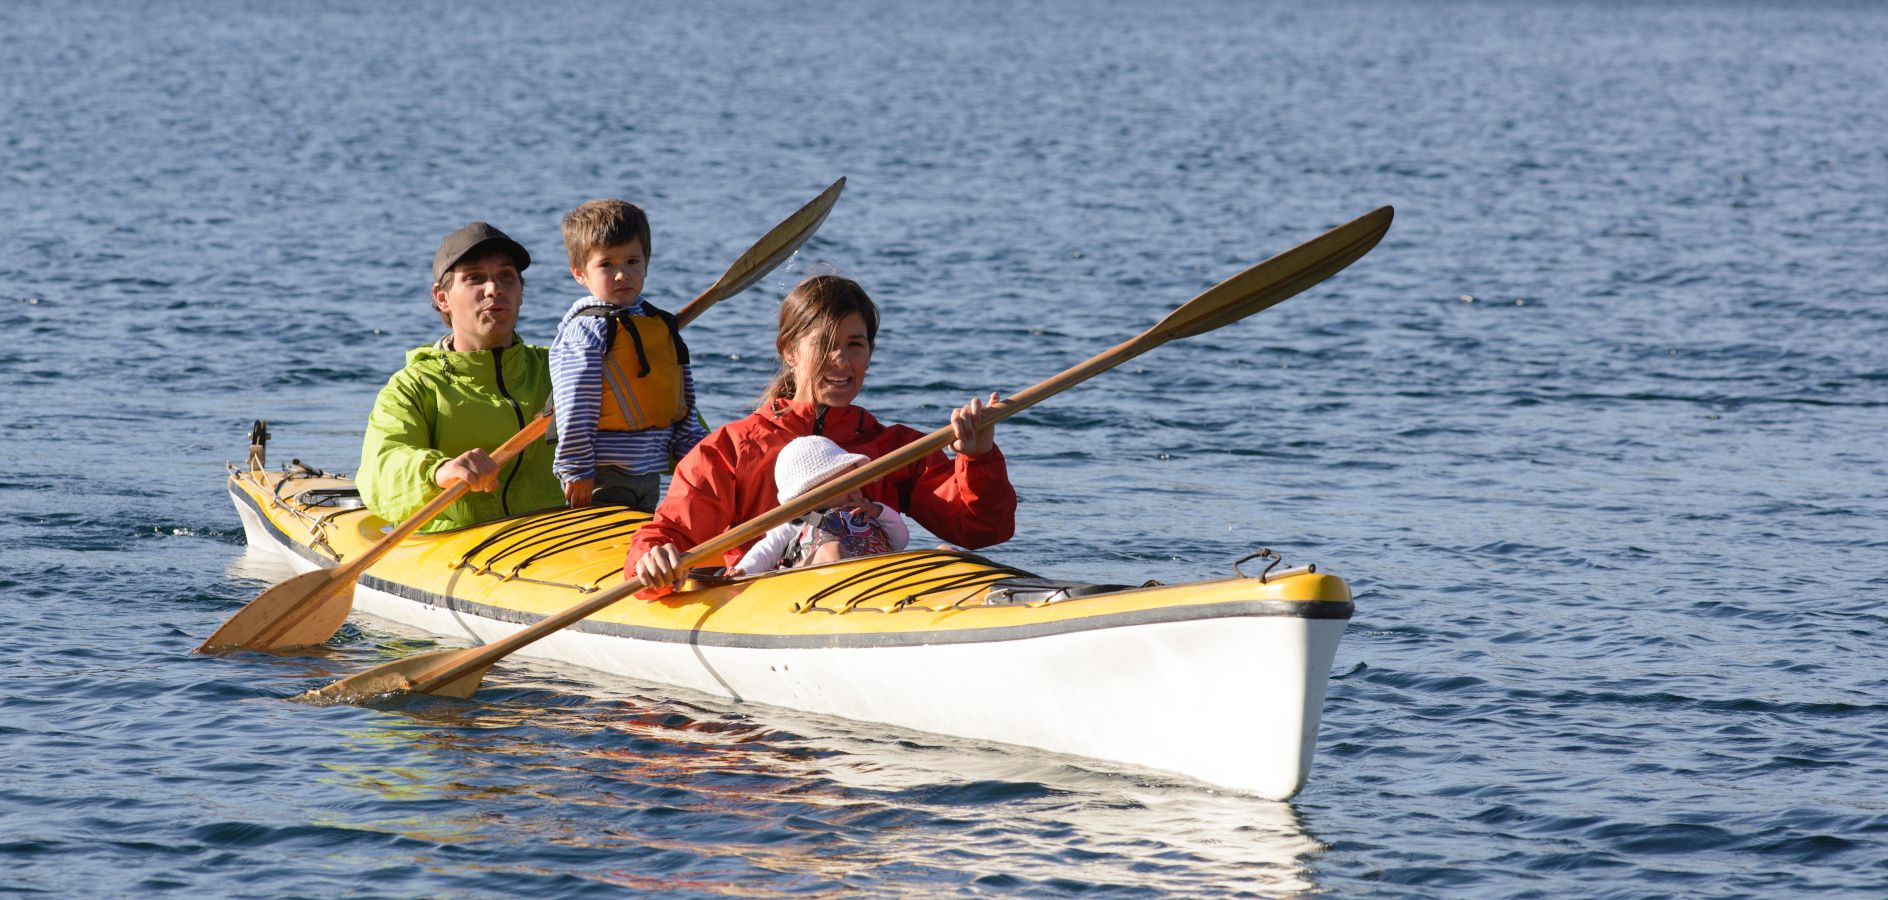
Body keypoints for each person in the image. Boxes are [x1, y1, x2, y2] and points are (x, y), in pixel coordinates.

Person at [626, 273, 1015, 592]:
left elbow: (983, 529)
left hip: (874, 587)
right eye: (825, 345)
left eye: (855, 345)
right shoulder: (731, 449)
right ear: (790, 351)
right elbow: (669, 533)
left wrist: (978, 458)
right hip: (769, 598)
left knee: (950, 555)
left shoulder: (897, 448)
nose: (842, 361)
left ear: (870, 352)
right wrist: (654, 557)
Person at [357, 222, 563, 533]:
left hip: (558, 539)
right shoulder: (412, 387)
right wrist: (440, 471)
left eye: (506, 276)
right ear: (442, 299)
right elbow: (380, 470)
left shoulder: (561, 369)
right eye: (475, 279)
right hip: (453, 546)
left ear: (520, 292)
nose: (494, 289)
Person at [549, 199, 708, 511]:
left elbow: (681, 396)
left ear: (646, 263)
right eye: (606, 264)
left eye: (632, 262)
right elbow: (575, 403)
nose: (622, 274)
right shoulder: (585, 331)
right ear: (580, 273)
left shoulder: (659, 324)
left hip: (649, 471)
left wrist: (693, 450)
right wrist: (577, 468)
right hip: (600, 475)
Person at [729, 436, 911, 576]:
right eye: (846, 483)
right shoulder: (800, 519)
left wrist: (880, 512)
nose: (857, 488)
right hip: (811, 578)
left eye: (857, 480)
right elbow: (767, 550)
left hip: (871, 576)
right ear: (809, 496)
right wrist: (744, 570)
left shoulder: (866, 513)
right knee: (832, 550)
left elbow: (900, 542)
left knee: (939, 552)